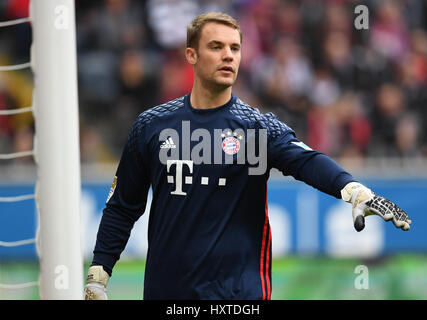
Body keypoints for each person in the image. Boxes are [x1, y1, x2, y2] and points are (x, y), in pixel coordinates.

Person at [84, 12, 411, 300]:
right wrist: (98, 276)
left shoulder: (258, 128)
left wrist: (353, 190)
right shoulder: (151, 127)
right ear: (191, 55)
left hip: (238, 298)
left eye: (235, 48)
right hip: (167, 295)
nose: (228, 56)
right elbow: (123, 208)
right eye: (216, 47)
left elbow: (305, 160)